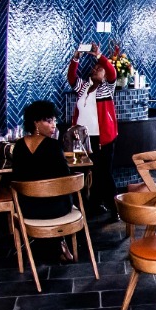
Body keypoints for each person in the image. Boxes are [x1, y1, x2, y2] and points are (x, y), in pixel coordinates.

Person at [11, 100, 79, 263]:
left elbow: (16, 177)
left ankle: (50, 243)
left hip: (28, 209)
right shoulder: (54, 146)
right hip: (55, 210)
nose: (54, 125)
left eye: (54, 120)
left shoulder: (18, 146)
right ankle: (61, 241)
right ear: (35, 122)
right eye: (48, 121)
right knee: (72, 195)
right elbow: (66, 178)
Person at [67, 43, 118, 220]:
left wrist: (99, 56)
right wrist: (76, 58)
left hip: (102, 138)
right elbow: (71, 77)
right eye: (95, 68)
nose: (96, 69)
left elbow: (112, 72)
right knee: (85, 172)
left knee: (104, 173)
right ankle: (92, 206)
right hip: (82, 139)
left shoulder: (107, 87)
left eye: (99, 69)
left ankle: (114, 208)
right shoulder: (83, 87)